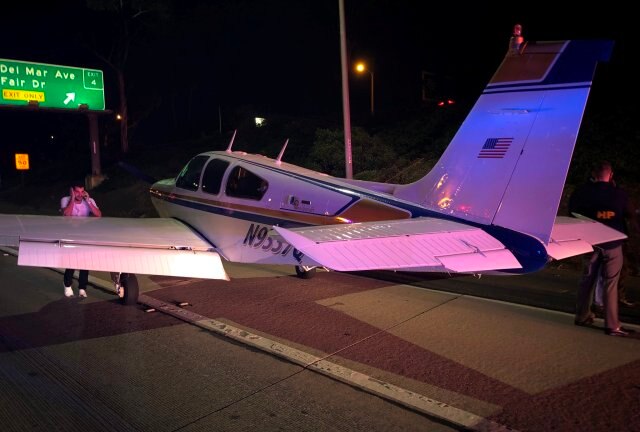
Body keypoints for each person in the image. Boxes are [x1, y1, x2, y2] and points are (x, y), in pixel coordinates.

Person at [570, 161, 636, 336]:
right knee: (610, 284)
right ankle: (612, 325)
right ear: (611, 175)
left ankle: (581, 316)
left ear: (593, 174)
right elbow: (629, 215)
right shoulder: (619, 194)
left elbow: (572, 214)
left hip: (589, 242)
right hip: (613, 243)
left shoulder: (581, 192)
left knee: (586, 280)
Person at [60, 181, 102, 298]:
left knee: (85, 262)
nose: (79, 194)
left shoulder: (89, 200)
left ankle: (82, 288)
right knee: (72, 261)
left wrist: (88, 200)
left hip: (86, 234)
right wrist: (72, 199)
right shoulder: (65, 200)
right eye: (76, 191)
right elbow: (66, 214)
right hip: (70, 234)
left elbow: (99, 215)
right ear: (72, 191)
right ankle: (67, 284)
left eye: (81, 191)